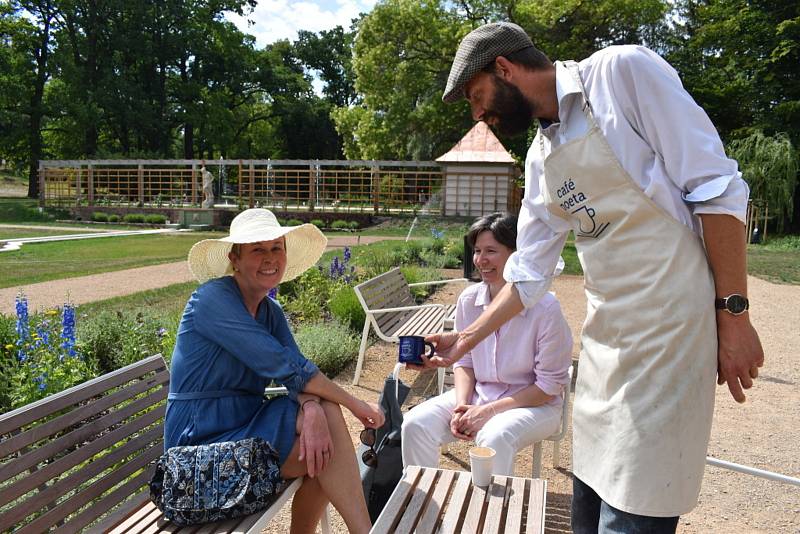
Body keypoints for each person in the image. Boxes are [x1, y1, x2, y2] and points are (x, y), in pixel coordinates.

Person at [422, 22, 764, 533]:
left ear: (504, 67)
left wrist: (733, 316)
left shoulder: (621, 74)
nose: (478, 114)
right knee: (589, 502)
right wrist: (463, 338)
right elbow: (530, 275)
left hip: (671, 328)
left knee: (636, 506)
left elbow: (716, 190)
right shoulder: (540, 158)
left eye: (477, 96)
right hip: (606, 341)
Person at [165, 208, 384, 534]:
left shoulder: (270, 310)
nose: (270, 258)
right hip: (198, 450)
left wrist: (310, 407)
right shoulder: (211, 301)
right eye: (257, 249)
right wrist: (357, 405)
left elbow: (296, 369)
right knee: (327, 446)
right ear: (234, 259)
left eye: (276, 248)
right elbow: (287, 367)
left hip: (245, 427)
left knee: (323, 432)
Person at [401, 213, 572, 475]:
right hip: (479, 393)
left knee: (494, 436)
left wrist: (485, 412)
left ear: (517, 255)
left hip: (534, 404)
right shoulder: (469, 299)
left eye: (491, 250)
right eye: (477, 250)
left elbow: (549, 387)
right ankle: (422, 507)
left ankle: (491, 514)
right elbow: (465, 361)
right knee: (415, 424)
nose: (481, 260)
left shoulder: (545, 308)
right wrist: (462, 405)